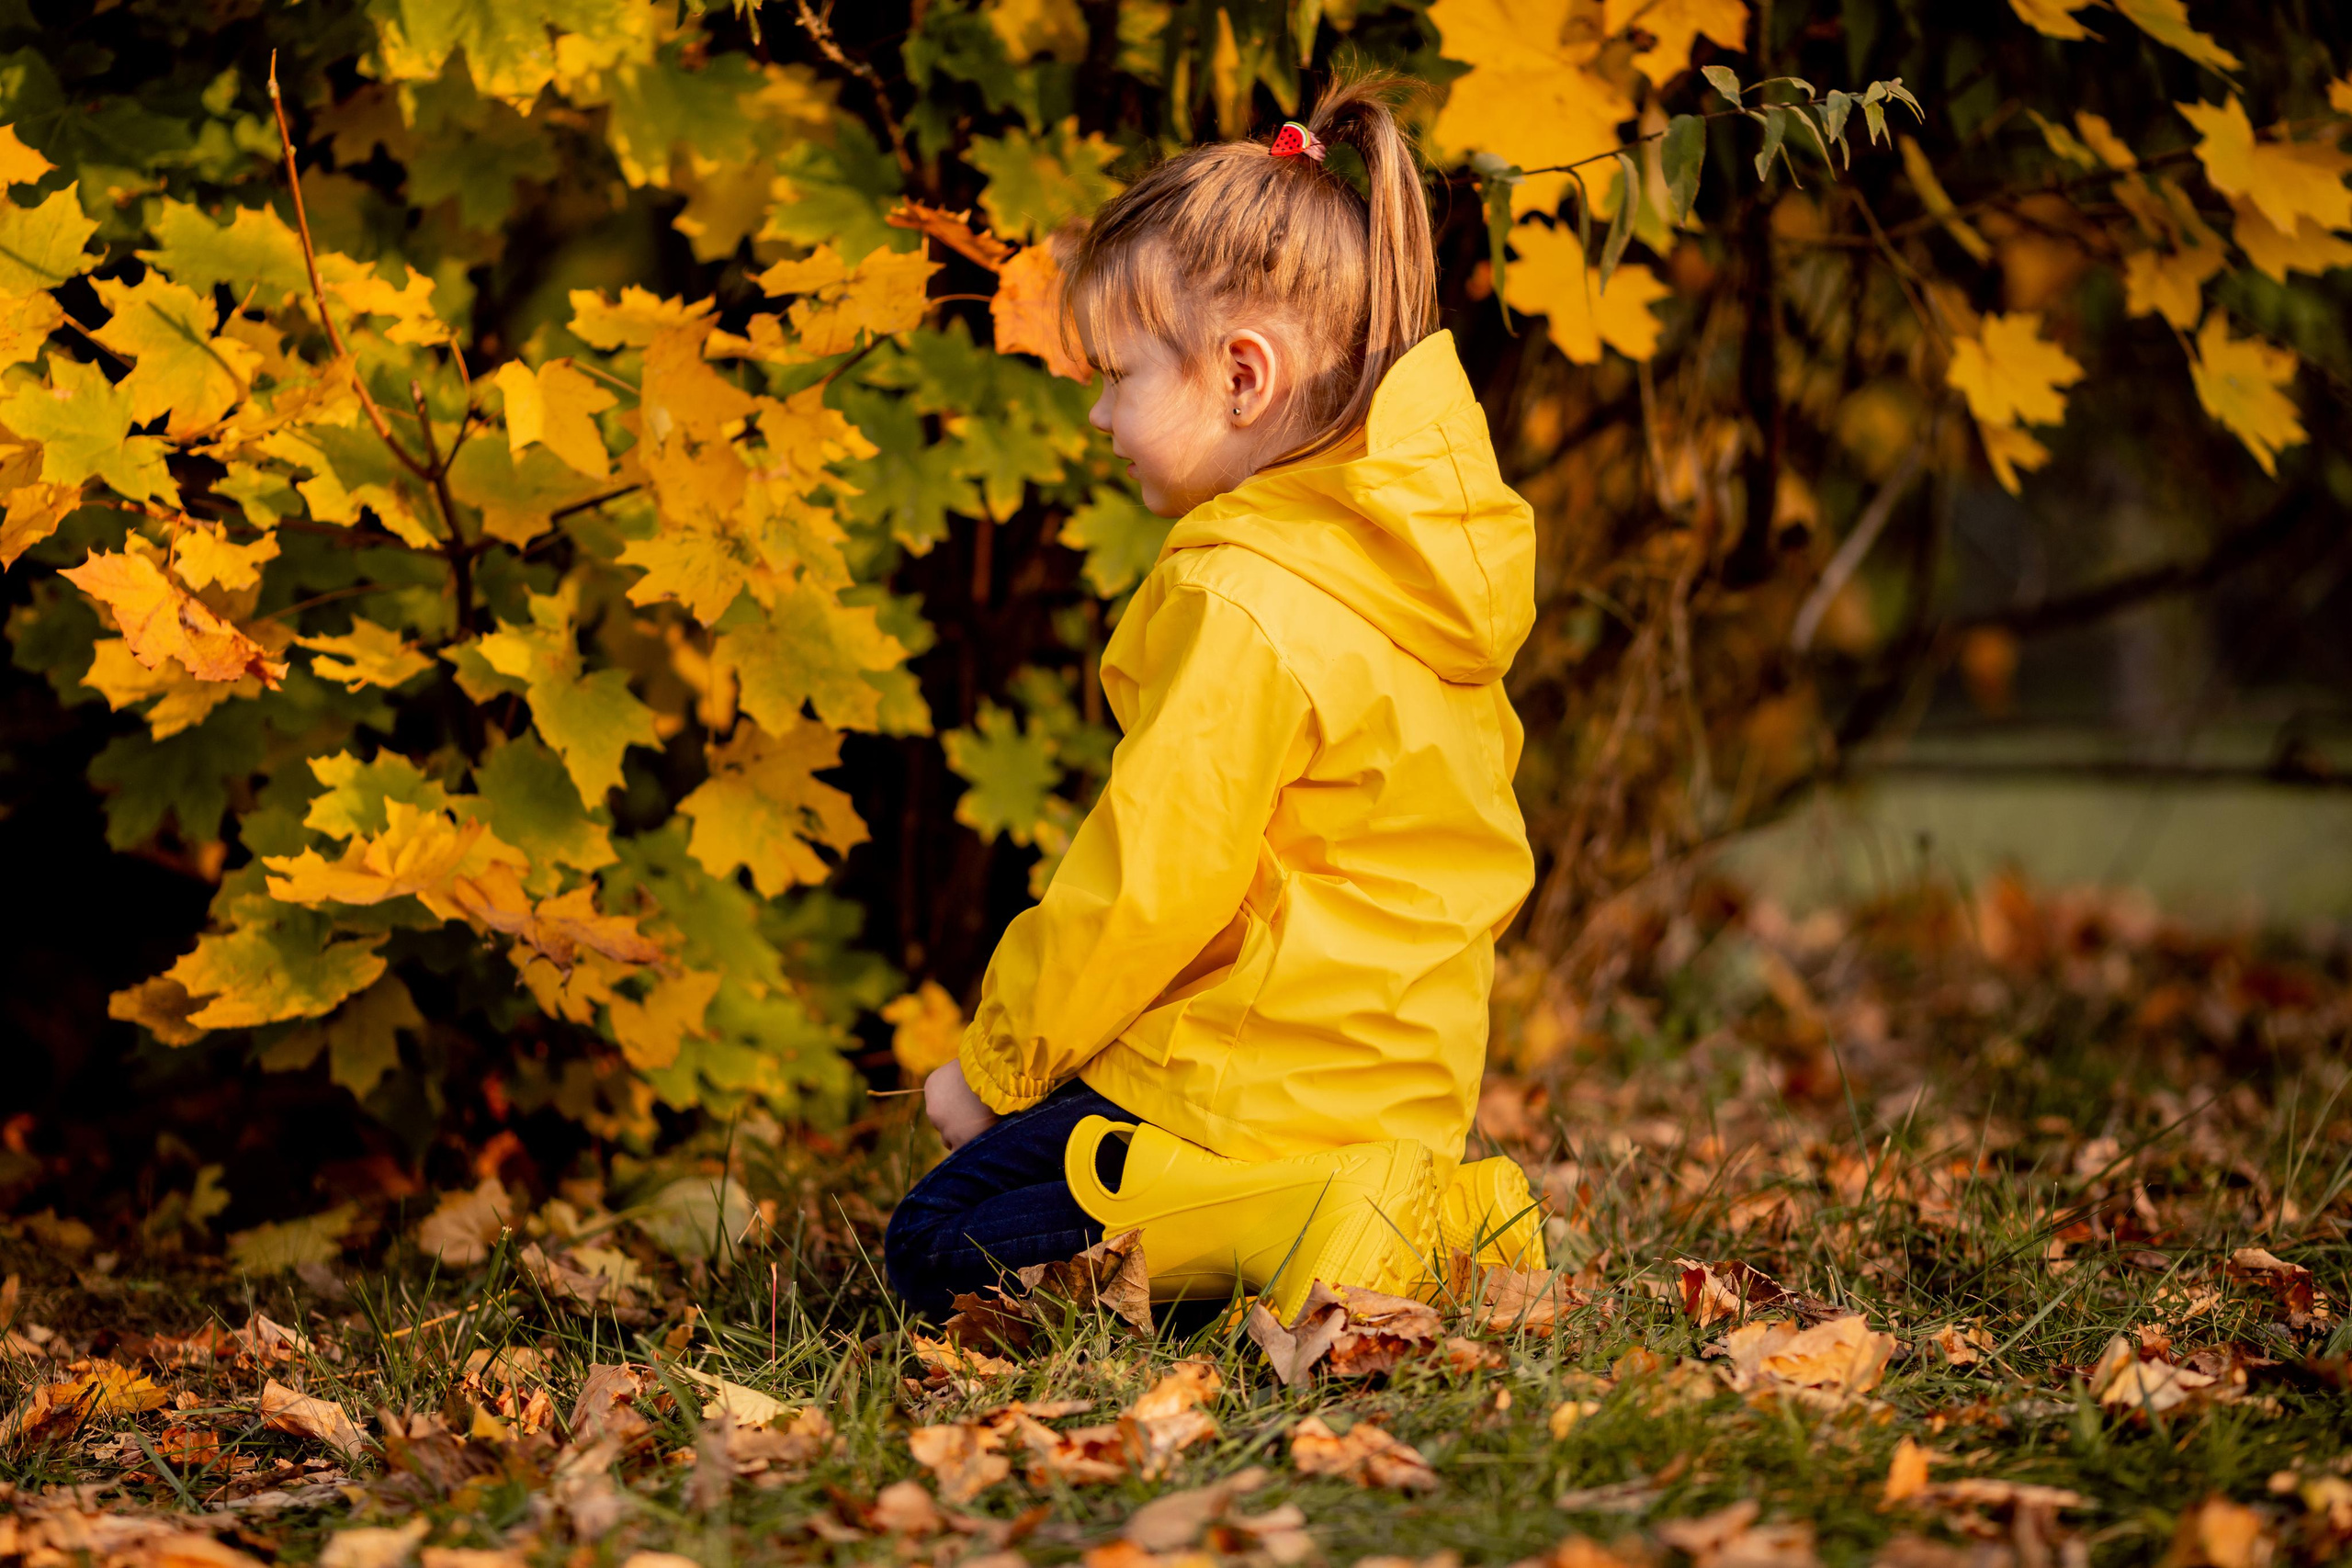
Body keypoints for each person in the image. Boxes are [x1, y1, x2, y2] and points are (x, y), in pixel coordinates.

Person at [882, 72, 1544, 1325]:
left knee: (937, 1241)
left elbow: (1153, 878)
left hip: (1245, 1097)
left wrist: (1002, 1063)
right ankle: (1417, 1207)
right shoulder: (1424, 577)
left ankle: (1303, 1222)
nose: (1096, 411)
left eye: (1121, 374)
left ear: (1243, 375)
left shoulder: (1247, 597)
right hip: (1398, 1100)